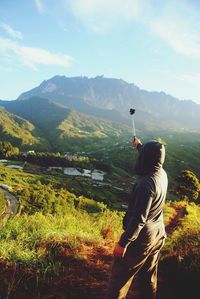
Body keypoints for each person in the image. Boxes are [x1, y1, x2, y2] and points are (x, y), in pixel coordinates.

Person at [105, 137, 168, 299]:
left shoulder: (145, 185)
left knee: (119, 280)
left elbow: (138, 219)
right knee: (148, 277)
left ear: (145, 159)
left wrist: (123, 242)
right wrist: (139, 146)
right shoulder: (162, 173)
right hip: (158, 234)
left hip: (141, 240)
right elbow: (151, 157)